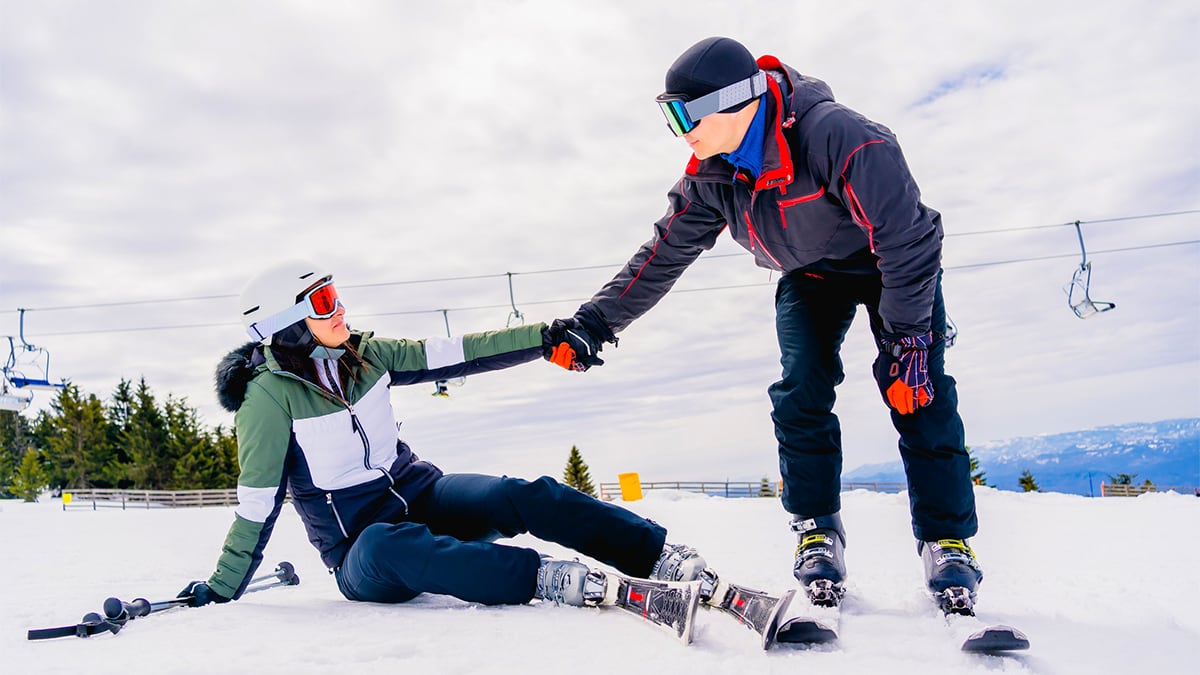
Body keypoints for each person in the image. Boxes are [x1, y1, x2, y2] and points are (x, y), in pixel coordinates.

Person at [546, 37, 982, 610]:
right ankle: (817, 529)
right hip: (810, 275)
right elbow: (663, 254)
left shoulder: (839, 135)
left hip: (893, 266)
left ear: (733, 102)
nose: (681, 130)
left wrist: (909, 342)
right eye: (669, 115)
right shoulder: (712, 176)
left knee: (915, 392)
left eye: (684, 113)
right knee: (801, 387)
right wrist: (594, 323)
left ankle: (946, 541)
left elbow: (908, 237)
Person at [178, 260, 707, 611]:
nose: (339, 309)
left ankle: (656, 554)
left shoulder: (367, 354)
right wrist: (223, 588)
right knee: (390, 540)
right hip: (361, 551)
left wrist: (544, 339)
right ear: (285, 323)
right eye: (322, 303)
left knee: (520, 495)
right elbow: (256, 503)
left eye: (335, 295)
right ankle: (546, 578)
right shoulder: (267, 398)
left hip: (421, 492)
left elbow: (457, 351)